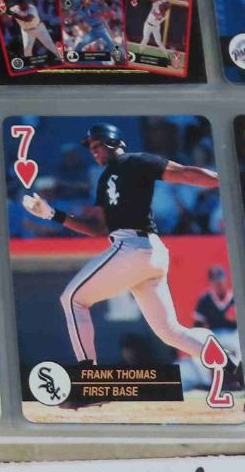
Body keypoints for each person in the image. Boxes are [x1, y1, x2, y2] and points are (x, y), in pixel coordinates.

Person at [23, 124, 225, 376]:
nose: (93, 151)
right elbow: (98, 227)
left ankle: (89, 378)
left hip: (133, 246)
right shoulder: (105, 178)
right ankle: (229, 366)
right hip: (147, 253)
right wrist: (52, 214)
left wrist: (223, 180)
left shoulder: (136, 160)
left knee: (72, 299)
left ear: (112, 142)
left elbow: (184, 173)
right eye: (91, 147)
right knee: (169, 332)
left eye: (97, 145)